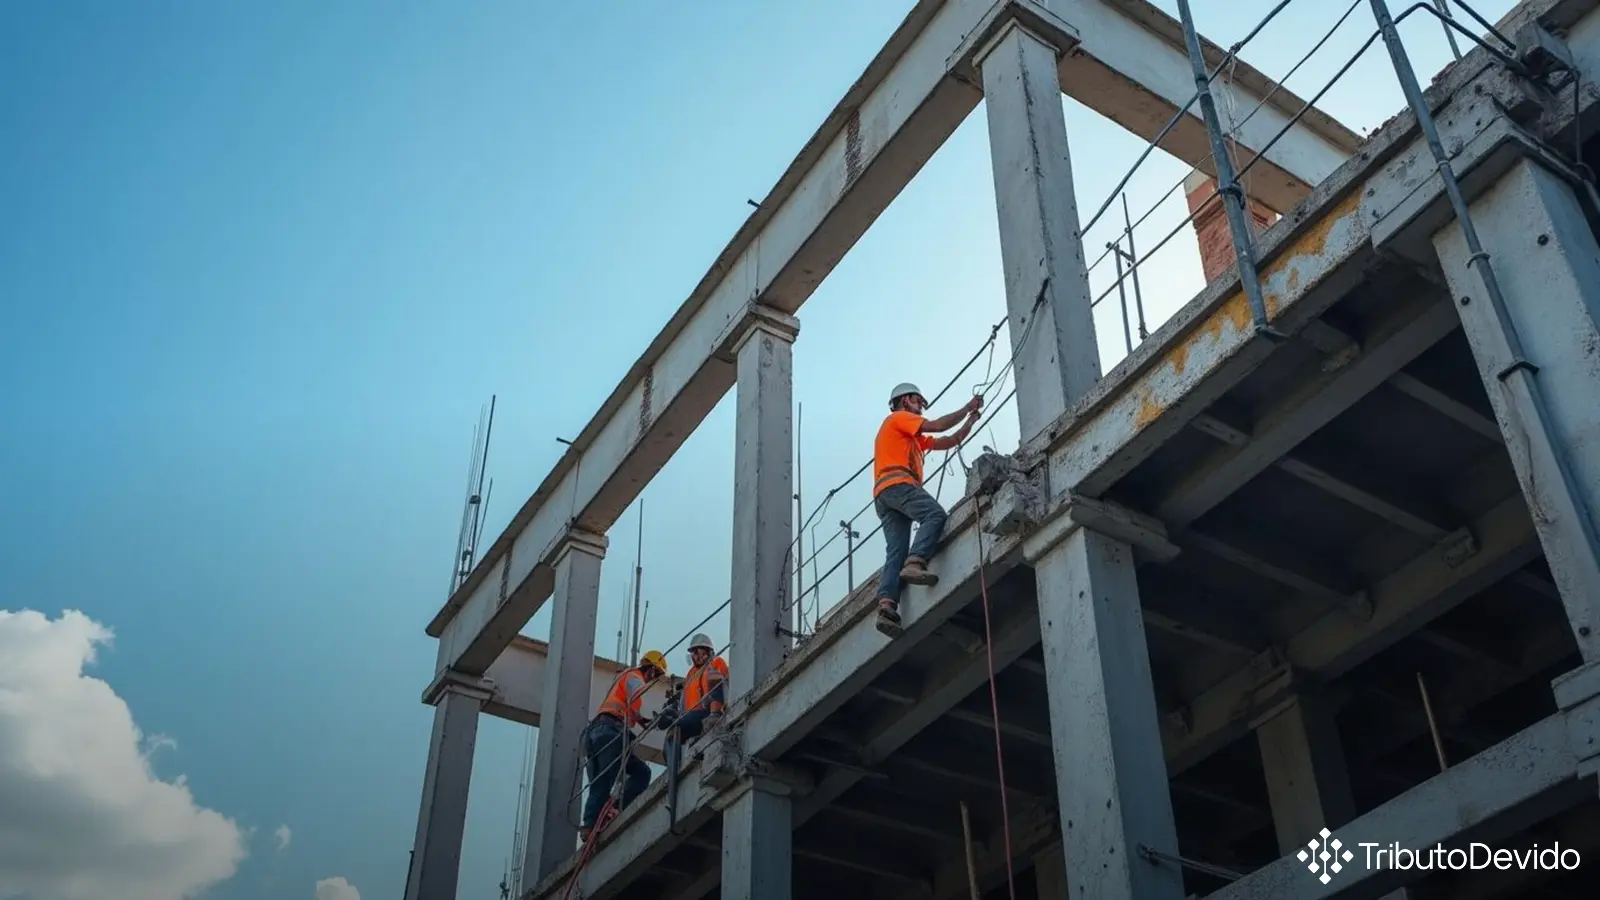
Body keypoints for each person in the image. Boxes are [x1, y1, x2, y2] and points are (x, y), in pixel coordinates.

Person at [872, 383, 980, 632]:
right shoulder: (899, 418)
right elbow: (940, 425)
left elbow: (949, 440)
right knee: (934, 514)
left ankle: (887, 606)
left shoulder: (911, 437)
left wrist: (971, 420)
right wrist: (967, 407)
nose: (920, 407)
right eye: (918, 401)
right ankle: (916, 561)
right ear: (904, 400)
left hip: (884, 496)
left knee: (895, 552)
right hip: (898, 485)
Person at [579, 649, 668, 842]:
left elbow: (627, 705)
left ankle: (591, 821)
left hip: (595, 733)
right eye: (657, 674)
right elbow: (634, 693)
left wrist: (642, 720)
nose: (655, 680)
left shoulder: (622, 679)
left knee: (601, 780)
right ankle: (609, 812)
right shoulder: (634, 676)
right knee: (620, 776)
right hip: (610, 732)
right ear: (652, 669)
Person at [673, 633, 728, 743]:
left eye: (702, 652)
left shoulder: (716, 663)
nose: (698, 656)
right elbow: (685, 701)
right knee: (674, 731)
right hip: (693, 716)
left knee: (679, 727)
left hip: (709, 712)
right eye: (695, 653)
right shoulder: (691, 674)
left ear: (709, 652)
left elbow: (720, 684)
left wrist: (714, 712)